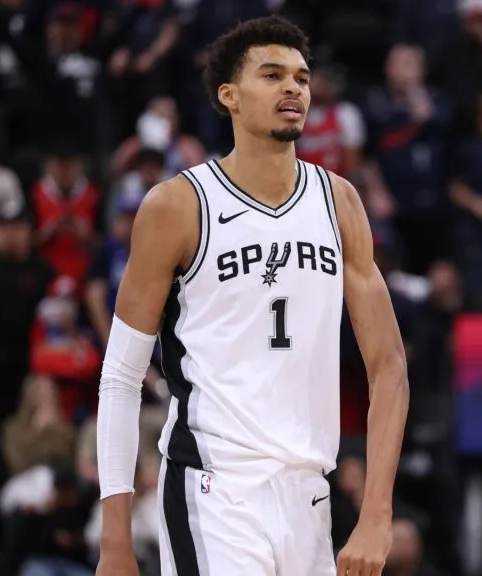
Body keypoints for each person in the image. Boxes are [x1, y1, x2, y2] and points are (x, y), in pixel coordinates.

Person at [95, 16, 410, 576]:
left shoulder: (339, 203)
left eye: (302, 78)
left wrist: (377, 513)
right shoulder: (178, 206)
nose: (294, 88)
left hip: (309, 491)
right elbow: (121, 377)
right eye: (273, 75)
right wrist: (114, 541)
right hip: (213, 485)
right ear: (229, 96)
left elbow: (388, 367)